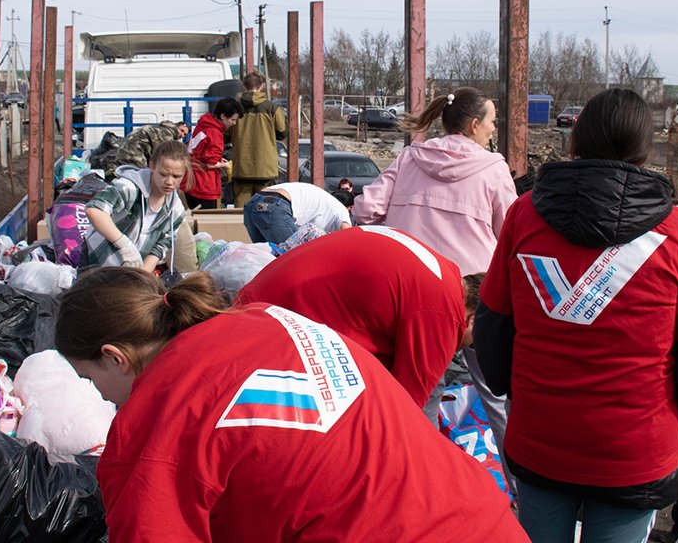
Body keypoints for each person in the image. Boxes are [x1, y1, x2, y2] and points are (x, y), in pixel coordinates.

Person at [55, 268, 529, 542]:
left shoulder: (159, 414)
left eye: (89, 379)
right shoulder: (270, 320)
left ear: (115, 357)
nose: (99, 397)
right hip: (483, 522)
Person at [475, 87, 678, 543]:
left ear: (577, 140)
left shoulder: (524, 216)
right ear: (645, 149)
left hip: (540, 440)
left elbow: (492, 327)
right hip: (635, 453)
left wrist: (516, 392)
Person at [352, 86, 517, 474]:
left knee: (420, 393)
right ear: (474, 125)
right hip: (476, 296)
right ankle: (521, 493)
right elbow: (512, 232)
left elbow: (366, 209)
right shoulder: (493, 168)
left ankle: (418, 481)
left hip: (412, 291)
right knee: (497, 395)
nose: (493, 129)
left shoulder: (410, 157)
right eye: (492, 122)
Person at [237, 225, 466, 407]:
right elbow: (406, 408)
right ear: (472, 319)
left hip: (264, 296)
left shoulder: (439, 268)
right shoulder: (444, 308)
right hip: (273, 322)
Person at [82, 141, 190, 273]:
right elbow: (95, 210)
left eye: (176, 176)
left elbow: (160, 246)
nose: (169, 182)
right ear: (152, 166)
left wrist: (142, 275)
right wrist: (124, 245)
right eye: (163, 174)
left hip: (128, 274)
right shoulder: (129, 187)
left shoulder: (175, 210)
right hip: (96, 266)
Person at [228, 72, 286, 207]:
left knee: (241, 210)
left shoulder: (234, 108)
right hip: (266, 168)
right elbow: (282, 132)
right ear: (261, 87)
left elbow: (225, 133)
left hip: (241, 167)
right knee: (264, 209)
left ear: (244, 87)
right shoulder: (271, 108)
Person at [242, 181, 352, 245]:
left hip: (254, 204)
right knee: (295, 259)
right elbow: (349, 237)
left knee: (266, 259)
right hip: (275, 206)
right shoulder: (342, 210)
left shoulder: (325, 202)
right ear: (350, 208)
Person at [184, 97, 241, 210]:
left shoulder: (203, 125)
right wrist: (223, 165)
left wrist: (218, 159)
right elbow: (210, 164)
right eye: (233, 120)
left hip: (191, 180)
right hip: (205, 185)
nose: (234, 123)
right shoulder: (215, 133)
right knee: (207, 217)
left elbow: (199, 150)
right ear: (223, 116)